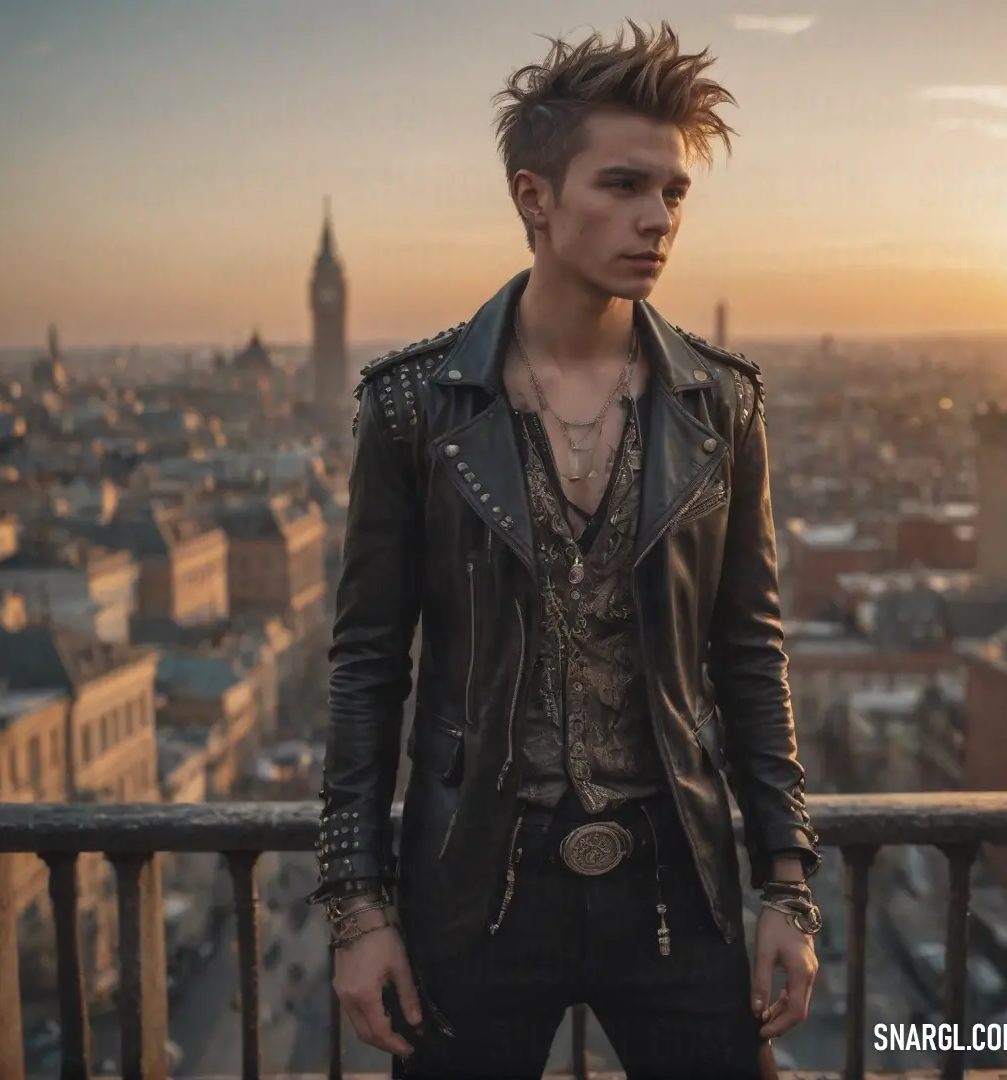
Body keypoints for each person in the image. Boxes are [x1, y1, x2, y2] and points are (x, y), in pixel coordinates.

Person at [309, 19, 822, 1080]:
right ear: (534, 198)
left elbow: (749, 657)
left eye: (674, 194)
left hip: (678, 883)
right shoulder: (415, 408)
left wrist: (786, 884)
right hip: (477, 884)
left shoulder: (721, 405)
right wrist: (358, 908)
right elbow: (367, 668)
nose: (657, 219)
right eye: (625, 186)